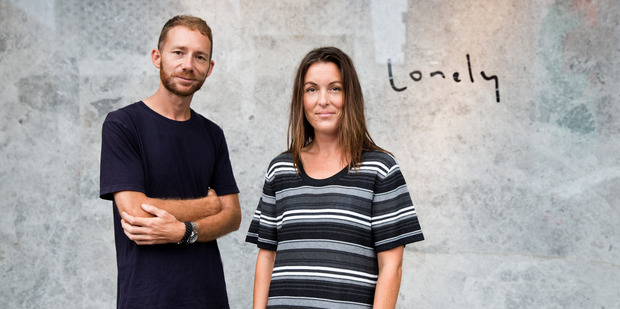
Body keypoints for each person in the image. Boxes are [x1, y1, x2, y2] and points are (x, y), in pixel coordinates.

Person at [246, 46, 424, 308]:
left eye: (335, 88)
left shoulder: (380, 169)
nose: (322, 100)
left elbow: (391, 266)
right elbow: (267, 258)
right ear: (301, 99)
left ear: (349, 96)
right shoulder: (281, 169)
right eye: (311, 89)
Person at [99, 15, 241, 309]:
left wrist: (184, 232)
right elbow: (136, 213)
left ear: (209, 68)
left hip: (209, 297)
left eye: (199, 57)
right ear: (157, 57)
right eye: (178, 52)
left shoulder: (212, 134)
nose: (188, 64)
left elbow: (233, 216)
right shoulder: (123, 125)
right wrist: (208, 206)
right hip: (146, 297)